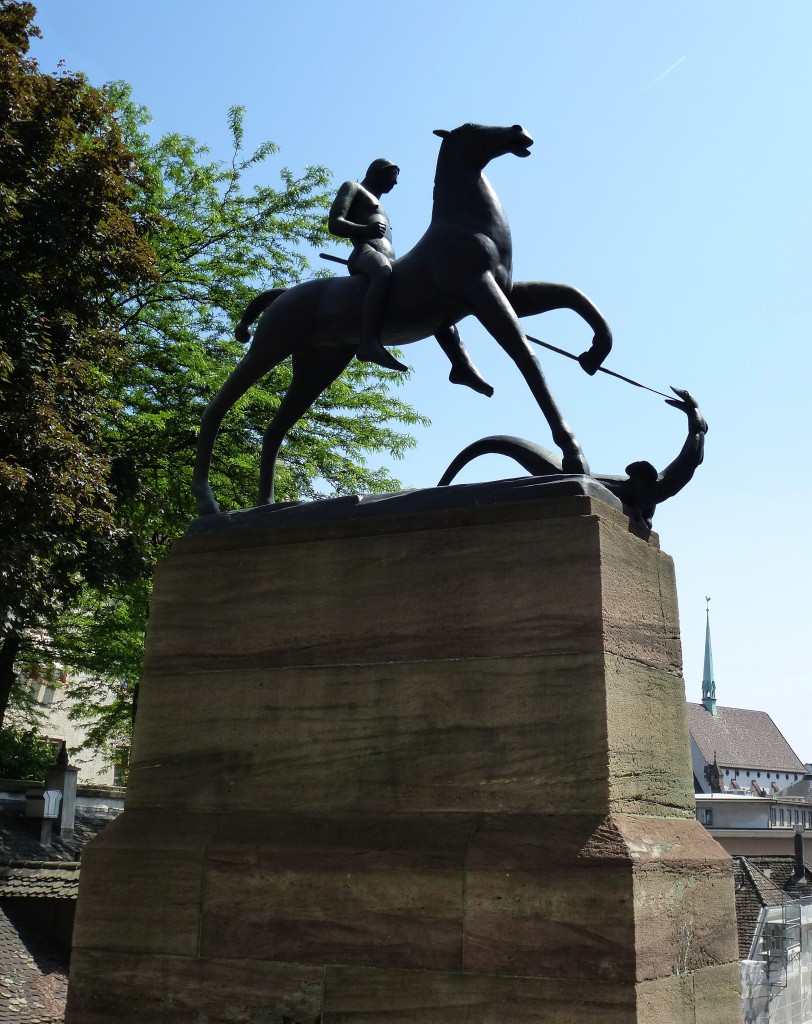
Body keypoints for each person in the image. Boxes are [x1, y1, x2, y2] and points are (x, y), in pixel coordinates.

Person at [329, 159, 494, 394]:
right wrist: (364, 231)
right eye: (393, 176)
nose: (395, 183)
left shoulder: (381, 206)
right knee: (382, 272)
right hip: (365, 255)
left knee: (433, 296)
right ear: (381, 172)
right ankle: (367, 342)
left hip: (388, 260)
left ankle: (461, 364)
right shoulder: (353, 188)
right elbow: (334, 223)